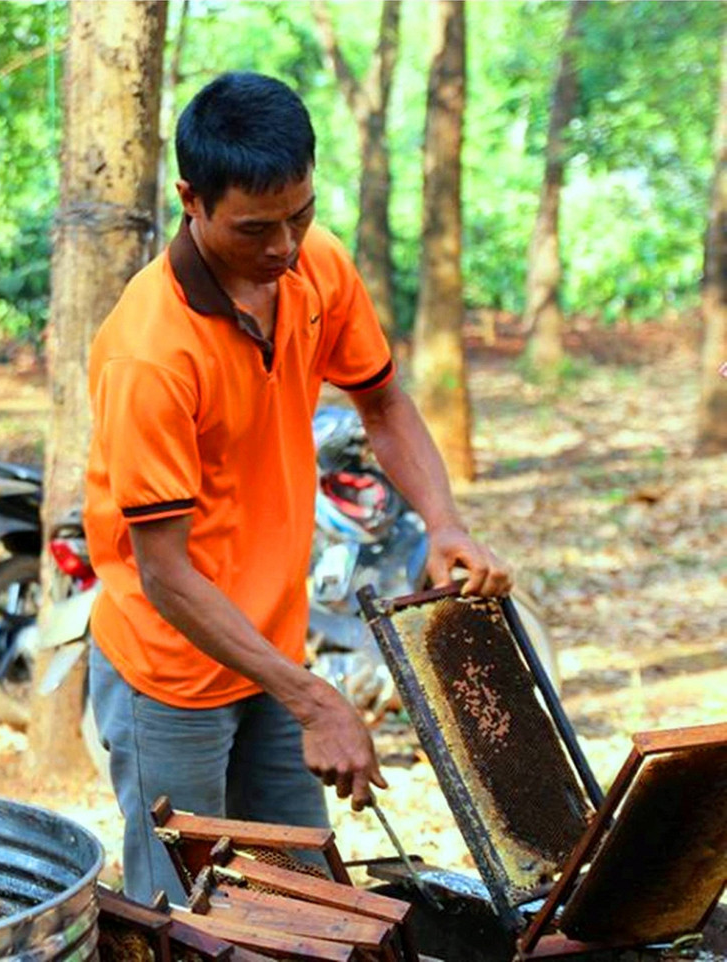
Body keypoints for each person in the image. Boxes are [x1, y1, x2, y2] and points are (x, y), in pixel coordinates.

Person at [83, 72, 512, 904]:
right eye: (256, 228)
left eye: (301, 215)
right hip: (171, 669)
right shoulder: (150, 353)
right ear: (192, 201)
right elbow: (165, 574)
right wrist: (317, 703)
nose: (284, 247)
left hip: (274, 647)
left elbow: (382, 403)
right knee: (188, 914)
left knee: (305, 898)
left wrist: (444, 523)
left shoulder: (317, 265)